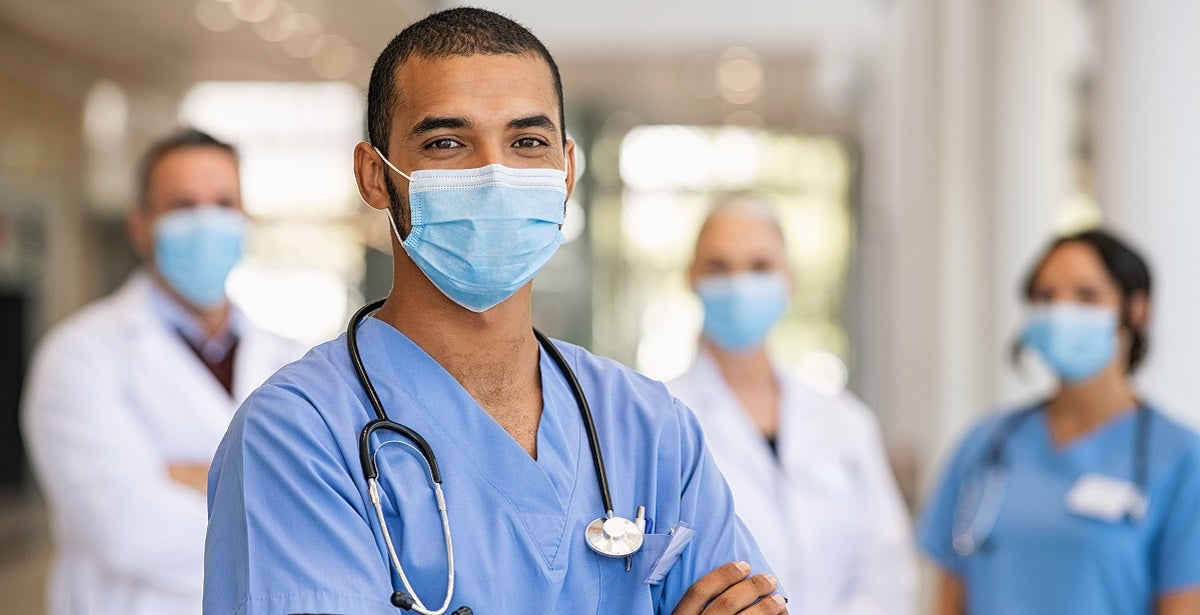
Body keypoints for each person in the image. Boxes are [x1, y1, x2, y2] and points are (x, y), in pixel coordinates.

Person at [203, 8, 786, 615]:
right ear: (375, 176)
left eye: (527, 142)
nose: (494, 174)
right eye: (447, 143)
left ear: (566, 173)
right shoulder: (298, 436)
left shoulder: (649, 428)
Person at [20, 129, 306, 615]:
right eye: (182, 205)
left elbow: (348, 512)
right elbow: (128, 530)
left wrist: (193, 477)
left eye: (222, 203)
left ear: (245, 219)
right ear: (141, 227)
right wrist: (278, 491)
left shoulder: (296, 362)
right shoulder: (78, 356)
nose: (206, 221)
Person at [917, 229, 1200, 614]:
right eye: (1045, 297)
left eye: (1087, 296)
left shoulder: (1179, 458)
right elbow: (948, 600)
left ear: (1136, 309)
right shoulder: (985, 444)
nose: (1062, 313)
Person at [667, 194, 916, 615]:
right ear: (691, 277)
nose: (740, 284)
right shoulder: (661, 417)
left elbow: (886, 570)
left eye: (760, 266)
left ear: (789, 279)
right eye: (719, 267)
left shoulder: (845, 422)